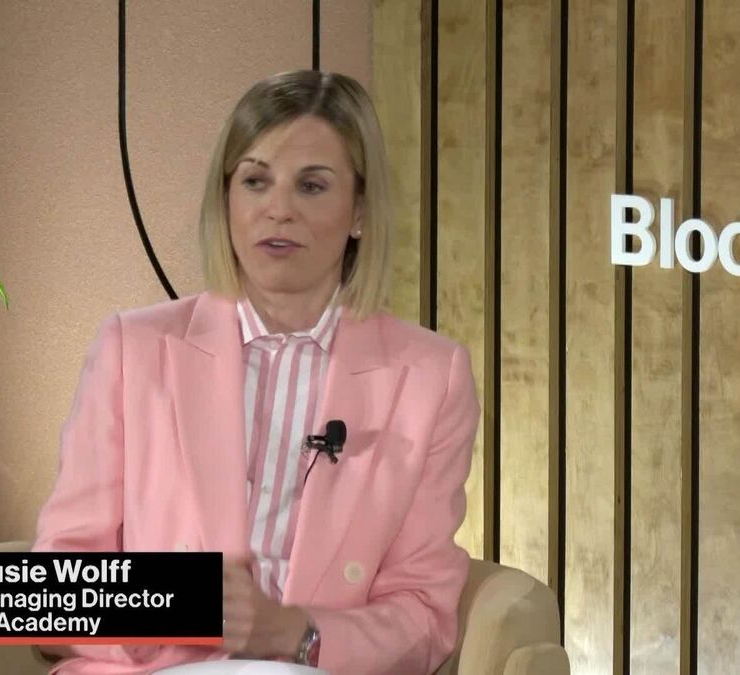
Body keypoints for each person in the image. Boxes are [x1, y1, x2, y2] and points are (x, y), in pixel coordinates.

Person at [32, 70, 479, 675]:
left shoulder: (430, 377)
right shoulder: (132, 348)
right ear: (226, 200)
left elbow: (425, 614)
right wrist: (185, 605)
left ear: (360, 211)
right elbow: (43, 597)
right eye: (255, 181)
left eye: (312, 186)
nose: (278, 210)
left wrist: (295, 634)